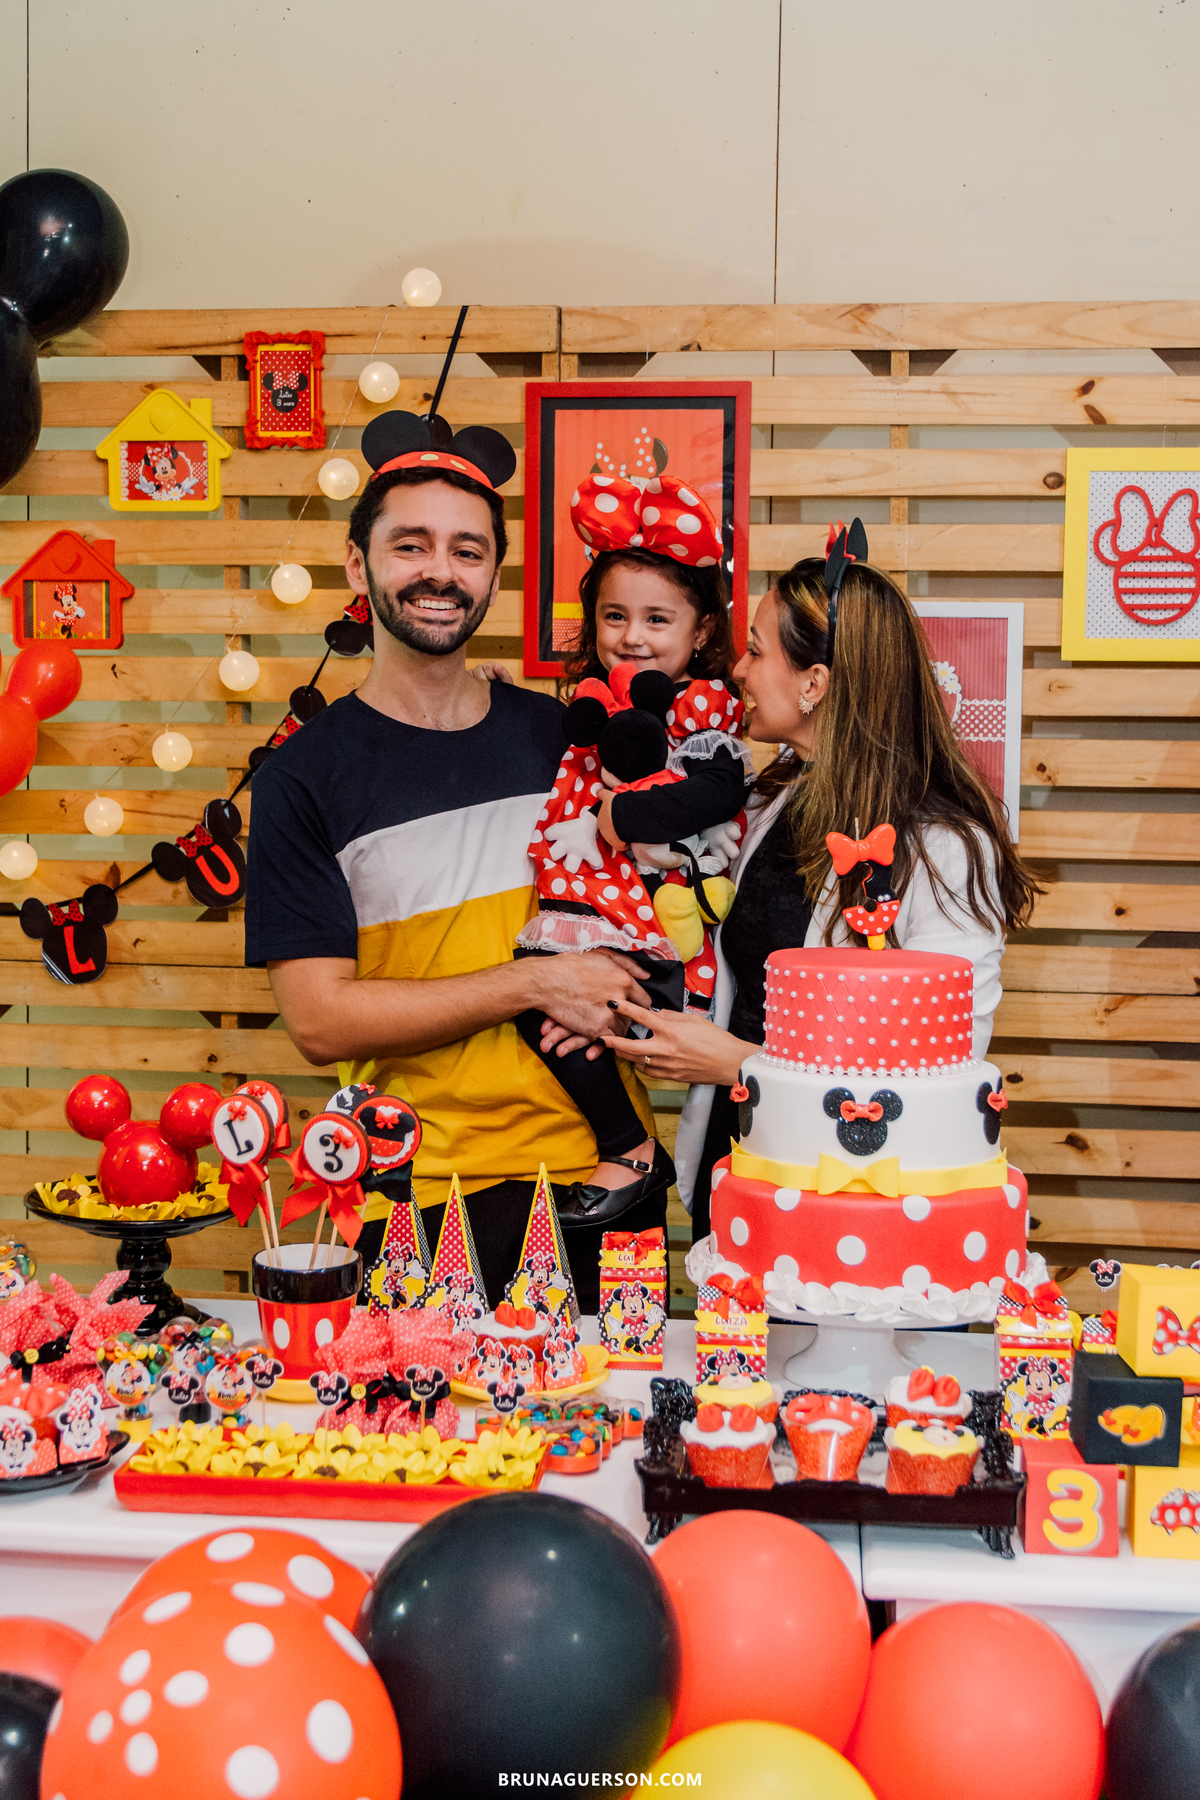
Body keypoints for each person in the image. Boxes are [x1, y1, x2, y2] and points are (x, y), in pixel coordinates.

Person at [244, 407, 662, 1311]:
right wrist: (531, 984)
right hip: (418, 1196)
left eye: (468, 551)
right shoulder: (300, 780)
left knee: (617, 1438)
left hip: (606, 1178)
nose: (441, 571)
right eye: (412, 545)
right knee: (426, 1447)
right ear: (358, 565)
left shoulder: (564, 739)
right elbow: (320, 1023)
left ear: (494, 574)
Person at [581, 528, 1042, 1241]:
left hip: (857, 1204)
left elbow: (944, 1063)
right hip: (740, 1174)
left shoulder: (946, 846)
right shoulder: (774, 800)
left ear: (815, 682)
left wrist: (736, 1061)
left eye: (758, 650)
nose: (737, 669)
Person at [509, 472, 752, 1227]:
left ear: (702, 632)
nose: (632, 636)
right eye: (615, 616)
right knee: (540, 1002)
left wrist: (621, 818)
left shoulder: (705, 707)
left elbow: (717, 793)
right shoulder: (591, 700)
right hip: (597, 906)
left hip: (665, 918)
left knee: (560, 1000)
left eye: (657, 619)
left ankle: (628, 1149)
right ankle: (629, 1146)